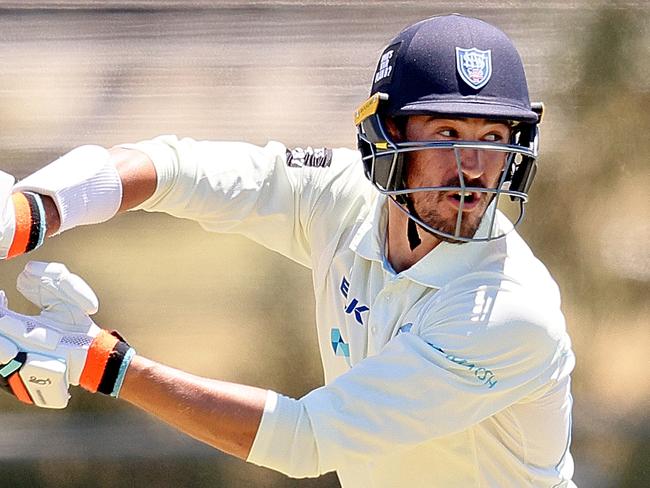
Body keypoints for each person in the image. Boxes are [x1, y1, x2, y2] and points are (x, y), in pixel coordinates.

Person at [0, 14, 576, 487]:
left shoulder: (505, 311)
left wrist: (100, 363)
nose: (472, 169)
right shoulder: (347, 196)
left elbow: (304, 441)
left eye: (492, 139)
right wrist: (37, 210)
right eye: (447, 135)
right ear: (391, 137)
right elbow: (177, 169)